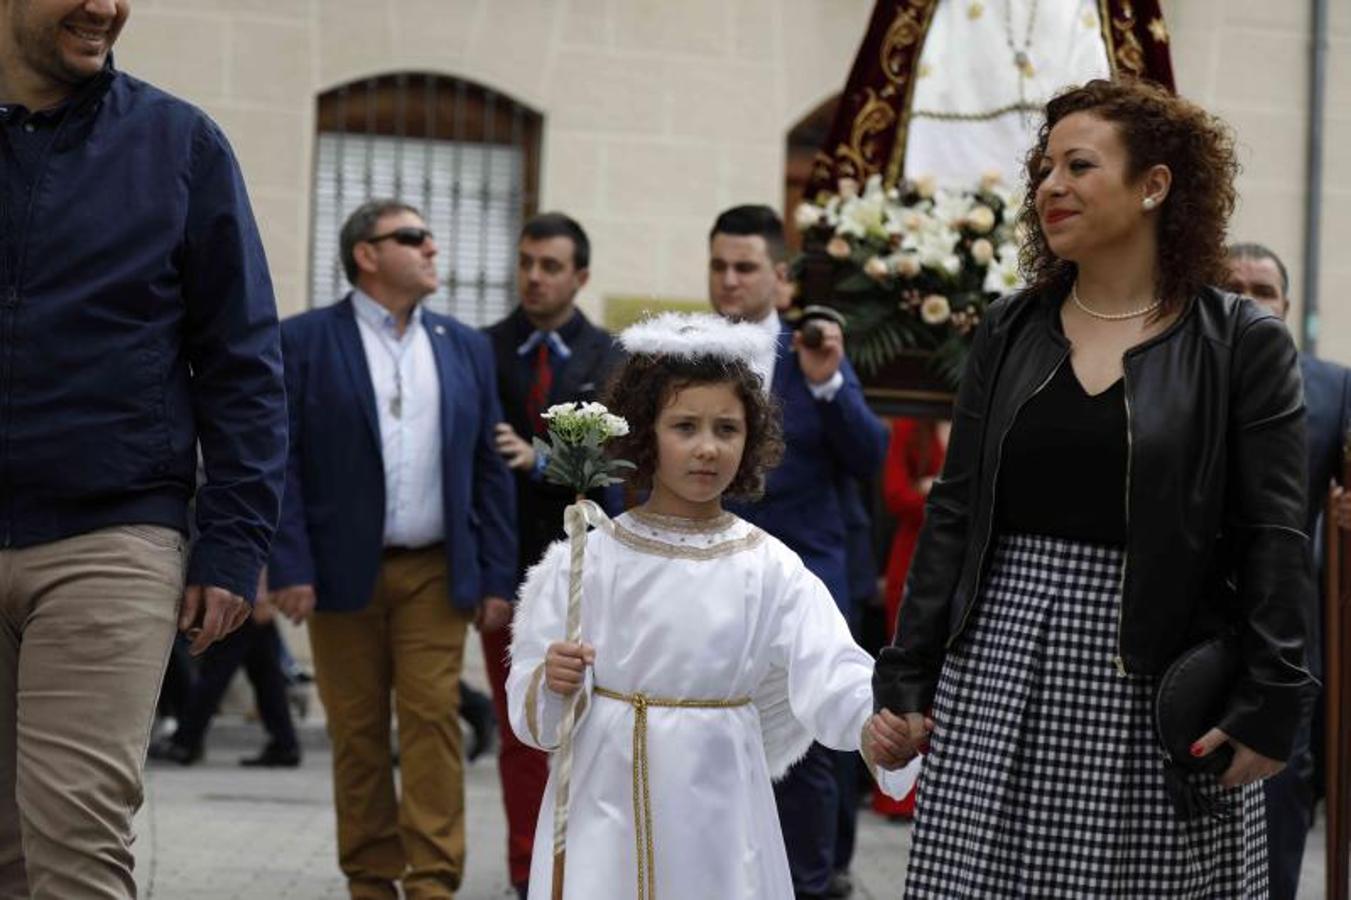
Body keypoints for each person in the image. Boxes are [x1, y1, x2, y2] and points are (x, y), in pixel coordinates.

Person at [872, 78, 1314, 897]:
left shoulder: (1238, 341)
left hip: (1158, 662)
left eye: (1077, 166)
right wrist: (905, 675)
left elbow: (1275, 531)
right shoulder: (1010, 326)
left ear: (1153, 185)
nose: (1050, 186)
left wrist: (1273, 697)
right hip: (999, 656)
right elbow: (956, 510)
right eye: (1043, 169)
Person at [0, 1, 288, 896]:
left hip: (111, 537)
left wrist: (234, 544)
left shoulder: (180, 145)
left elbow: (241, 361)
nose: (106, 6)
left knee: (77, 848)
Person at [505, 312, 914, 899]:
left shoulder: (768, 568)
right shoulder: (588, 561)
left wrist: (876, 724)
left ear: (752, 440)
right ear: (646, 434)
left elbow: (832, 667)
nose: (707, 448)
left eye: (727, 428)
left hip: (722, 799)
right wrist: (554, 678)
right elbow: (535, 696)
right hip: (607, 793)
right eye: (685, 426)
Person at [267, 199, 517, 900]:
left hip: (435, 569)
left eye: (430, 237)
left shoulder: (463, 345)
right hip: (339, 571)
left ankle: (434, 878)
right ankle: (372, 877)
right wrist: (287, 565)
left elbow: (488, 466)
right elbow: (279, 461)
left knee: (432, 714)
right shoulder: (306, 341)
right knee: (356, 729)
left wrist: (497, 574)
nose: (432, 248)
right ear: (366, 255)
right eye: (413, 237)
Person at [707, 204, 889, 900]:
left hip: (806, 570)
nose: (729, 281)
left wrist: (828, 384)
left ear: (780, 278)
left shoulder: (813, 352)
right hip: (713, 571)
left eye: (745, 267)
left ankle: (813, 881)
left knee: (811, 736)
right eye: (719, 266)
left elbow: (868, 454)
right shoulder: (685, 350)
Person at [483, 211, 623, 900]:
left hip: (592, 572)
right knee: (521, 727)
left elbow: (624, 463)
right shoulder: (482, 349)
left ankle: (589, 869)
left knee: (598, 726)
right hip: (506, 572)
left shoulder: (613, 356)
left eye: (550, 266)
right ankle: (524, 871)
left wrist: (540, 458)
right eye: (526, 262)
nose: (533, 277)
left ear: (580, 276)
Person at [1225, 241, 1351, 900]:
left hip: (1284, 637)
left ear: (1285, 307)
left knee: (1276, 803)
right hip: (1176, 623)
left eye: (1262, 291)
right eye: (1232, 288)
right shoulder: (1164, 372)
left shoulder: (1333, 387)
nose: (1248, 302)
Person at [873, 416, 947, 819]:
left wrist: (932, 490)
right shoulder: (908, 425)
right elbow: (897, 494)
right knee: (904, 674)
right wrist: (945, 498)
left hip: (963, 568)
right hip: (912, 563)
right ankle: (897, 794)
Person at [149, 573, 302, 769]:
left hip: (244, 594)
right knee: (265, 673)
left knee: (215, 674)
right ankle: (285, 743)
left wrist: (260, 593)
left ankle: (185, 742)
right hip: (249, 593)